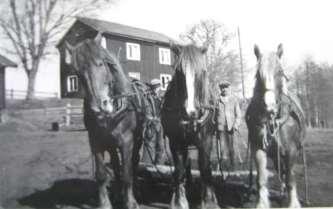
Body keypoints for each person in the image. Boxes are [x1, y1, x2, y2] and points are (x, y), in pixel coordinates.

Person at [215, 81, 241, 170]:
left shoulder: (234, 100)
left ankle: (234, 168)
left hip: (232, 128)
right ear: (220, 89)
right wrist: (215, 126)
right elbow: (214, 116)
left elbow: (238, 115)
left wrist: (236, 125)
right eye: (222, 87)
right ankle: (225, 171)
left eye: (226, 87)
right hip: (221, 128)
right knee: (223, 150)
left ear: (229, 88)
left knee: (233, 149)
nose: (224, 89)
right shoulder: (217, 101)